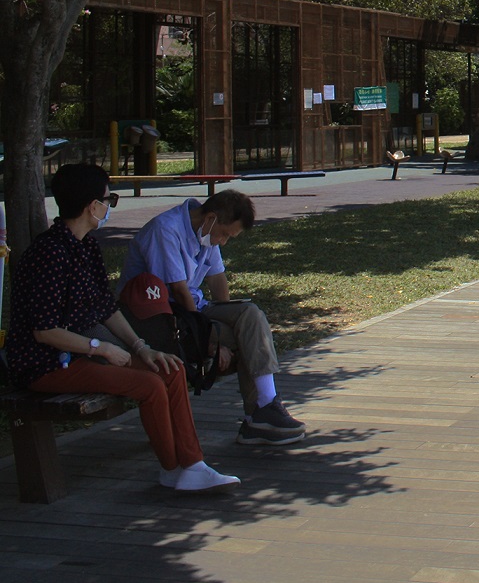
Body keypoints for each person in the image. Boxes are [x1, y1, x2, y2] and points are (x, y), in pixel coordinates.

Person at [8, 164, 239, 492]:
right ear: (92, 206)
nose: (110, 206)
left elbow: (106, 308)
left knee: (170, 368)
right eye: (109, 200)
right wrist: (101, 348)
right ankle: (172, 468)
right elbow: (44, 331)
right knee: (150, 385)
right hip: (47, 364)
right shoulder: (49, 253)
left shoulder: (86, 246)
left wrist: (141, 347)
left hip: (81, 352)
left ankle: (192, 464)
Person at [123, 189, 306, 446]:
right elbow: (178, 290)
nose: (224, 242)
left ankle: (265, 406)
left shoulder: (207, 232)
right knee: (247, 338)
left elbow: (217, 278)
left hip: (193, 310)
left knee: (250, 316)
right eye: (225, 234)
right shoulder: (165, 230)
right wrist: (209, 338)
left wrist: (227, 318)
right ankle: (257, 417)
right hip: (161, 318)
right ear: (210, 218)